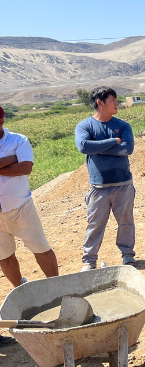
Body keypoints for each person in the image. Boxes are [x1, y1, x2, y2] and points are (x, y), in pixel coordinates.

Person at [0, 106, 59, 347]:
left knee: (40, 247)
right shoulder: (13, 147)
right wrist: (8, 161)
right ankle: (20, 288)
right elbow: (16, 164)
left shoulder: (18, 139)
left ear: (1, 119)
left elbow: (26, 167)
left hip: (20, 207)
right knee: (4, 256)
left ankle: (56, 286)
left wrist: (13, 163)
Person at [75, 86, 136, 271]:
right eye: (113, 100)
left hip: (123, 184)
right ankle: (89, 260)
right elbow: (84, 146)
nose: (117, 103)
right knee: (95, 224)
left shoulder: (123, 125)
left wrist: (98, 147)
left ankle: (128, 256)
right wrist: (113, 141)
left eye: (117, 100)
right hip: (98, 186)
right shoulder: (85, 126)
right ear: (100, 103)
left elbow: (128, 149)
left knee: (126, 222)